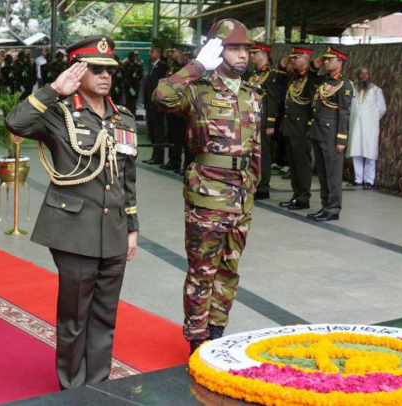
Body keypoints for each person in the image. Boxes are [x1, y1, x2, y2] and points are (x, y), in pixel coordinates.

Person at [5, 35, 139, 390]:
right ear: (77, 72)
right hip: (73, 227)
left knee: (105, 315)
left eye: (108, 70)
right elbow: (16, 123)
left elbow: (127, 176)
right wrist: (52, 88)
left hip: (113, 227)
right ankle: (72, 387)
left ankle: (98, 384)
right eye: (94, 69)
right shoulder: (59, 114)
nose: (104, 76)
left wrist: (132, 225)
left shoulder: (122, 118)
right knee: (74, 316)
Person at [153, 19, 262, 355]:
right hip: (208, 196)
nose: (243, 55)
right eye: (233, 47)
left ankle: (217, 331)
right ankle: (197, 338)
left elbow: (255, 149)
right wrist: (197, 66)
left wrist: (252, 187)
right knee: (203, 271)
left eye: (245, 48)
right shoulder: (197, 90)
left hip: (241, 196)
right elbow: (161, 96)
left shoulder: (252, 94)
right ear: (217, 49)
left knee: (229, 271)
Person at [306, 47, 354, 222]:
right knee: (322, 172)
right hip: (319, 132)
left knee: (332, 173)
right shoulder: (324, 81)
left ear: (339, 62)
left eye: (329, 59)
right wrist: (315, 64)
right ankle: (325, 205)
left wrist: (342, 138)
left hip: (332, 134)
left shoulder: (345, 86)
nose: (325, 62)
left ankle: (333, 208)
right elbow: (309, 77)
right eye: (324, 59)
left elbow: (344, 113)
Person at [278, 47, 324, 210]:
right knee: (293, 164)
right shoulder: (296, 77)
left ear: (306, 59)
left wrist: (310, 126)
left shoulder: (311, 78)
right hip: (290, 126)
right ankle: (296, 195)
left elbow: (314, 104)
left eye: (296, 58)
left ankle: (303, 198)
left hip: (301, 128)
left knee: (302, 165)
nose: (293, 61)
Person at [244, 42, 285, 200]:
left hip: (263, 121)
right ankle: (254, 183)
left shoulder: (271, 75)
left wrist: (270, 124)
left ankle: (263, 187)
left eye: (255, 53)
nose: (252, 56)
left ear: (264, 54)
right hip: (252, 119)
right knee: (252, 153)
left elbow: (274, 101)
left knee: (264, 154)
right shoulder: (255, 74)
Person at [347, 66, 386, 189]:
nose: (364, 76)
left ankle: (369, 180)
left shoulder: (376, 90)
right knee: (356, 152)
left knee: (369, 153)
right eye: (361, 74)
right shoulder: (352, 89)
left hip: (370, 127)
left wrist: (371, 120)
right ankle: (358, 179)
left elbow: (382, 108)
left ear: (369, 76)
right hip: (355, 126)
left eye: (366, 73)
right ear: (358, 75)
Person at [161, 47, 187, 173]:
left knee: (185, 140)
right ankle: (174, 161)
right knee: (173, 137)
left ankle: (186, 166)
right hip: (172, 108)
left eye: (174, 51)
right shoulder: (173, 66)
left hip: (182, 110)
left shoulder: (187, 67)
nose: (171, 54)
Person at [143, 45, 168, 165]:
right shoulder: (153, 66)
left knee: (158, 131)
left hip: (156, 105)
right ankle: (155, 155)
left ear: (158, 53)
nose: (149, 53)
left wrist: (157, 102)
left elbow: (160, 86)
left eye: (151, 51)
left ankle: (159, 156)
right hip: (150, 104)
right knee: (153, 131)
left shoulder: (161, 67)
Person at [122, 51, 143, 118]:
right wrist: (129, 86)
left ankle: (133, 117)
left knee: (133, 103)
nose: (134, 58)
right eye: (133, 57)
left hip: (135, 87)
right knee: (128, 103)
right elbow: (124, 77)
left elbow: (140, 75)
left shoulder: (137, 65)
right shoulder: (126, 66)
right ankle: (127, 117)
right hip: (128, 87)